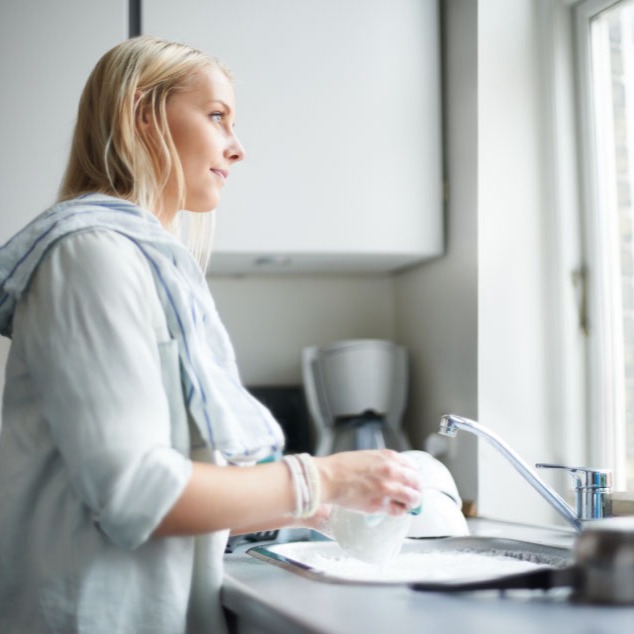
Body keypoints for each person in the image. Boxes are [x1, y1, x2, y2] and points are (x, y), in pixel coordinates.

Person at [0, 35, 422, 634]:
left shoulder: (144, 263)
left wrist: (324, 507)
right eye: (217, 116)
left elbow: (159, 487)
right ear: (141, 114)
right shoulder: (90, 256)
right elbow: (138, 495)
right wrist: (323, 477)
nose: (237, 148)